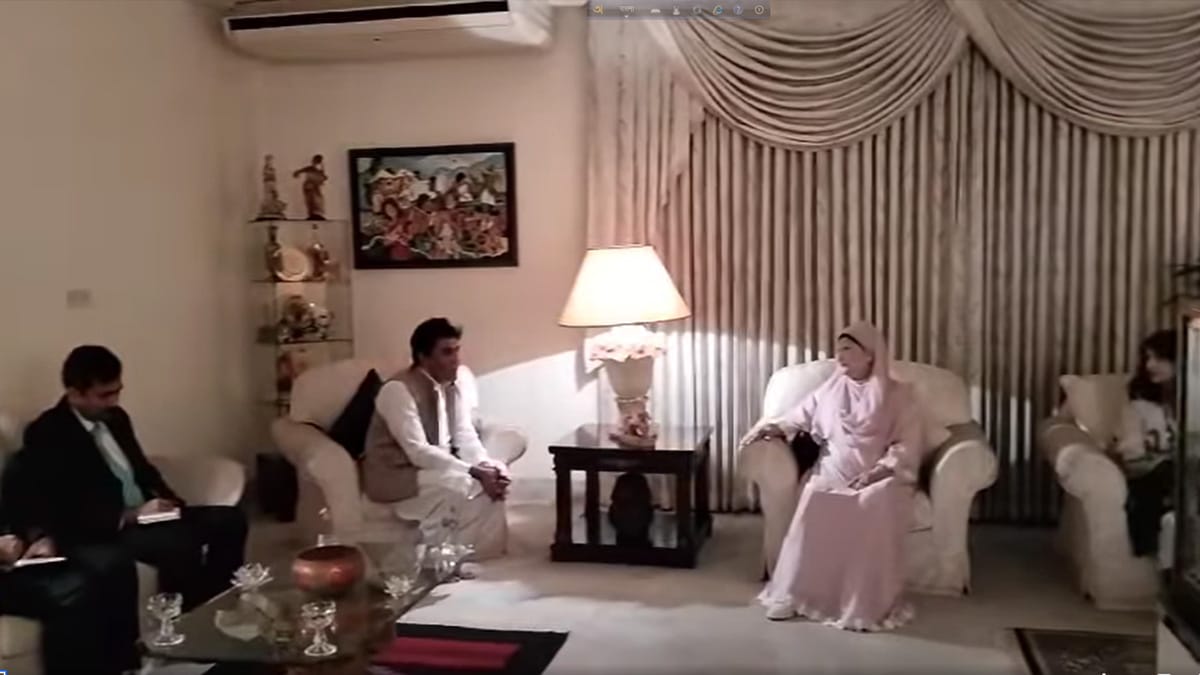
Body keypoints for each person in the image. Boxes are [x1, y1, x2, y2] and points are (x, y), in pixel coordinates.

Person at [22, 345, 248, 610]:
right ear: (74, 394)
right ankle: (184, 622)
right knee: (178, 544)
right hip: (108, 528)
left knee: (230, 520)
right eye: (104, 395)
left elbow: (142, 469)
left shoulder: (116, 419)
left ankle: (217, 605)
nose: (113, 402)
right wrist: (129, 515)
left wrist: (169, 500)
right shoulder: (48, 432)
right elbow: (60, 503)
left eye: (117, 392)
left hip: (150, 515)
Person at [745, 322, 924, 631]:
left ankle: (861, 602)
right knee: (816, 497)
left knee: (872, 502)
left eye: (847, 350)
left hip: (880, 472)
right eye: (838, 349)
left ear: (869, 355)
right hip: (833, 468)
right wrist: (773, 428)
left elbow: (907, 444)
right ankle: (795, 594)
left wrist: (878, 471)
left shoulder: (898, 395)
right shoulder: (830, 389)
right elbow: (798, 417)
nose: (839, 357)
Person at [362, 318, 512, 558]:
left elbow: (464, 434)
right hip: (397, 476)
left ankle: (483, 554)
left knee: (492, 485)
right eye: (446, 352)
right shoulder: (398, 390)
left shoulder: (452, 386)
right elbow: (417, 451)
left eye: (457, 350)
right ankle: (439, 561)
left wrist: (486, 465)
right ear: (424, 357)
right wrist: (472, 471)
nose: (456, 359)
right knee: (462, 484)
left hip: (434, 468)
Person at [0, 449, 140, 675]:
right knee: (73, 591)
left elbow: (19, 512)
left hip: (18, 560)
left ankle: (123, 667)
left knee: (111, 564)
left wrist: (39, 539)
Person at [1109, 329, 1177, 557]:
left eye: (1159, 358)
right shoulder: (1138, 405)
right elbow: (1131, 456)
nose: (1150, 365)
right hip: (1149, 476)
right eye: (1147, 358)